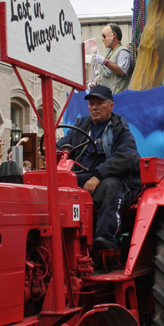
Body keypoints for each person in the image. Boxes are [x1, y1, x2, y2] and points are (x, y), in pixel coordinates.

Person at [56, 85, 141, 250]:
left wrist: (99, 175)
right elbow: (64, 144)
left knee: (110, 186)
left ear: (111, 106)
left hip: (114, 178)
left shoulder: (119, 129)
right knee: (58, 185)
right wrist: (53, 150)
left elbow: (127, 156)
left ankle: (105, 240)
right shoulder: (81, 127)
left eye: (99, 103)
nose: (94, 107)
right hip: (84, 176)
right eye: (91, 104)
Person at [91, 23, 134, 94]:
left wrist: (104, 61)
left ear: (114, 35)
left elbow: (122, 71)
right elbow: (107, 74)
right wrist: (95, 83)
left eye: (104, 36)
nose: (103, 40)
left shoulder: (122, 51)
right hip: (107, 97)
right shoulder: (110, 53)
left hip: (117, 97)